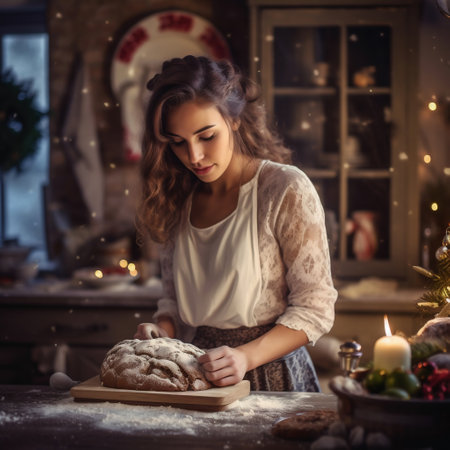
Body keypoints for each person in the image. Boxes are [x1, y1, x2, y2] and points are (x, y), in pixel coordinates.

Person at [134, 55, 337, 392]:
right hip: (195, 375)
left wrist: (245, 357)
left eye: (206, 136)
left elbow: (316, 308)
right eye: (178, 142)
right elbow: (172, 301)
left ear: (235, 121)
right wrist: (162, 331)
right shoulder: (176, 198)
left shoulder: (284, 189)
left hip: (270, 378)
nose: (194, 156)